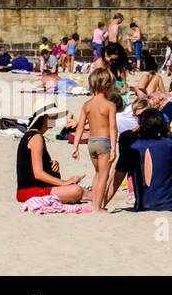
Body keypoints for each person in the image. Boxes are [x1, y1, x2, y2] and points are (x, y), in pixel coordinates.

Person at [70, 68, 118, 211]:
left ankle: (94, 204)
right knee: (104, 175)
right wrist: (114, 148)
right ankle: (97, 208)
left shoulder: (87, 105)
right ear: (107, 85)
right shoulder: (110, 105)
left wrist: (76, 146)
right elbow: (113, 128)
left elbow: (79, 127)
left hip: (91, 143)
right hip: (104, 142)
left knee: (97, 173)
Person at [16, 104, 85, 204]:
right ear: (44, 118)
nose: (55, 119)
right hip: (30, 191)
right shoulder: (36, 138)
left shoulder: (34, 135)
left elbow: (32, 164)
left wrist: (52, 163)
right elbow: (38, 173)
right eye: (52, 116)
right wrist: (64, 183)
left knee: (83, 191)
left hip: (39, 187)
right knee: (76, 190)